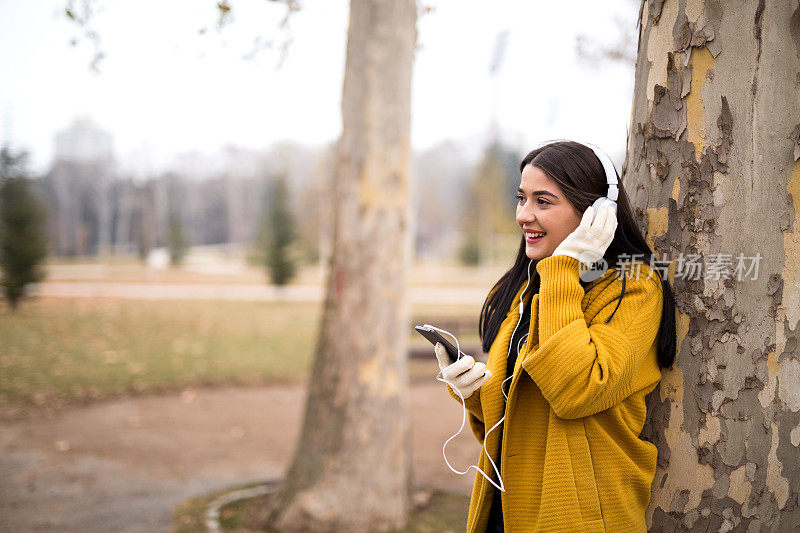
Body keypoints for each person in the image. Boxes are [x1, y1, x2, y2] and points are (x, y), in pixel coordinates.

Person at [433, 140, 676, 532]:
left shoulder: (633, 288)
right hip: (504, 511)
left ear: (597, 215)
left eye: (543, 202)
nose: (524, 215)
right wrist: (472, 392)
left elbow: (577, 390)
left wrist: (563, 270)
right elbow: (516, 418)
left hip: (579, 518)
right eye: (521, 198)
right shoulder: (521, 290)